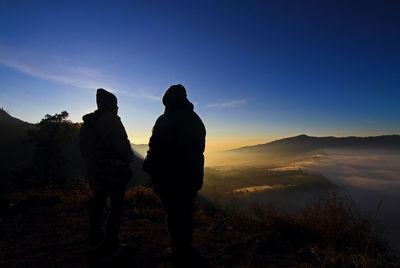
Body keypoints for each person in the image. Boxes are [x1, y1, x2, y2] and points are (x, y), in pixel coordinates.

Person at [143, 84, 206, 263]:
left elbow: (155, 148)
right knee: (186, 212)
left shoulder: (165, 120)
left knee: (173, 214)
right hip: (191, 175)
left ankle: (178, 250)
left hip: (169, 177)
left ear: (167, 101)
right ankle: (185, 247)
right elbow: (199, 148)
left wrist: (148, 166)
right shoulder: (195, 119)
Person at [79, 88, 133, 257]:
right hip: (114, 172)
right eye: (116, 104)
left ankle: (95, 241)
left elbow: (84, 150)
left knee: (98, 204)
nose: (117, 108)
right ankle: (111, 245)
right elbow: (123, 148)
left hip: (95, 171)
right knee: (116, 208)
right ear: (111, 104)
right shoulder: (113, 121)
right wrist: (128, 158)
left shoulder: (87, 124)